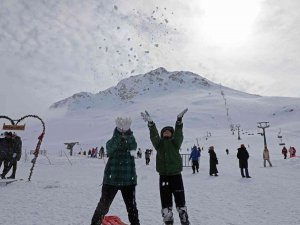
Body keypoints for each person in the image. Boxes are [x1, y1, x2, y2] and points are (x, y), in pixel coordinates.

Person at [141, 108, 190, 225]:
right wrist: (151, 124)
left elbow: (179, 134)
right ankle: (168, 219)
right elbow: (153, 136)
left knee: (180, 200)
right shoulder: (159, 144)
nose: (166, 133)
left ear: (172, 134)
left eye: (168, 131)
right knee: (165, 201)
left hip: (176, 176)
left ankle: (184, 219)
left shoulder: (175, 143)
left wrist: (179, 121)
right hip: (163, 177)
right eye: (164, 132)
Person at [91, 117, 140, 225]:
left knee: (132, 208)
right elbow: (110, 148)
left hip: (128, 180)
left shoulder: (131, 140)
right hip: (111, 179)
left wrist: (127, 133)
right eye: (120, 129)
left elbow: (133, 146)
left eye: (125, 129)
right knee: (103, 206)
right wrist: (119, 133)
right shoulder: (112, 141)